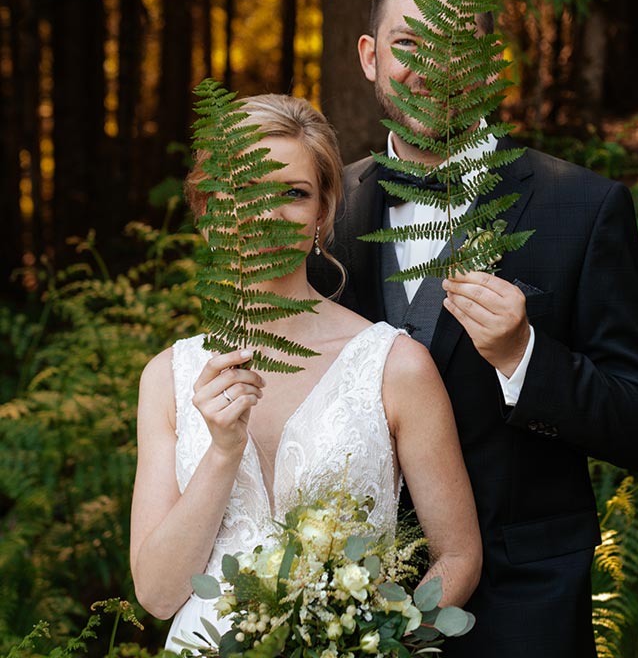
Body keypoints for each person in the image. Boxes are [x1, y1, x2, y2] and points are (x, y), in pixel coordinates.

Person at [308, 0, 638, 657]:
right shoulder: (324, 212)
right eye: (407, 44)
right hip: (343, 612)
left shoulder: (582, 209)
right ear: (369, 57)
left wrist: (525, 359)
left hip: (523, 614)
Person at [129, 93, 482, 650]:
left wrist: (379, 641)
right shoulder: (166, 377)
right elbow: (156, 593)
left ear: (322, 214)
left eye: (293, 194)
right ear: (210, 211)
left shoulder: (394, 365)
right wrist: (223, 451)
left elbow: (458, 554)